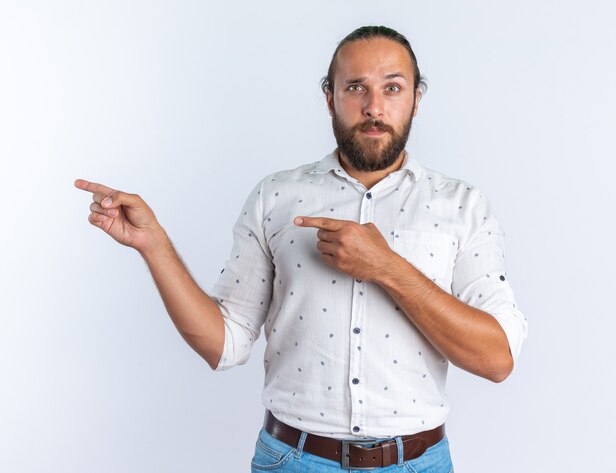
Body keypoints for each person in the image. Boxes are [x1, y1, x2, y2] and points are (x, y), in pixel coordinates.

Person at [75, 25, 527, 472]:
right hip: (294, 461)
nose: (374, 107)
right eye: (356, 88)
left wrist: (386, 266)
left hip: (419, 463)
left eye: (392, 88)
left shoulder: (463, 206)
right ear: (329, 98)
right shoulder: (275, 196)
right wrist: (153, 245)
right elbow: (224, 344)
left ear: (416, 98)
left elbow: (496, 359)